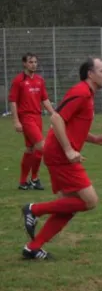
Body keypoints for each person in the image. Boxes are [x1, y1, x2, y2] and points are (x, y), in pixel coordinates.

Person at [21, 57, 102, 260]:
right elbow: (56, 118)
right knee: (90, 201)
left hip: (61, 154)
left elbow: (70, 125)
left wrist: (95, 139)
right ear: (90, 74)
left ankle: (33, 247)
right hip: (60, 156)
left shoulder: (88, 94)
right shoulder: (81, 92)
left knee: (69, 206)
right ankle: (33, 209)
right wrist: (69, 150)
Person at [9, 53, 55, 190]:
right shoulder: (18, 80)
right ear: (24, 64)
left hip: (37, 117)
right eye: (30, 62)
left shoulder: (40, 80)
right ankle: (34, 178)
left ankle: (23, 182)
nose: (34, 64)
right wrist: (16, 121)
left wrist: (54, 113)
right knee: (41, 146)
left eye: (35, 62)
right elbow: (13, 101)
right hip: (26, 118)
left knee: (30, 149)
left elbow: (44, 99)